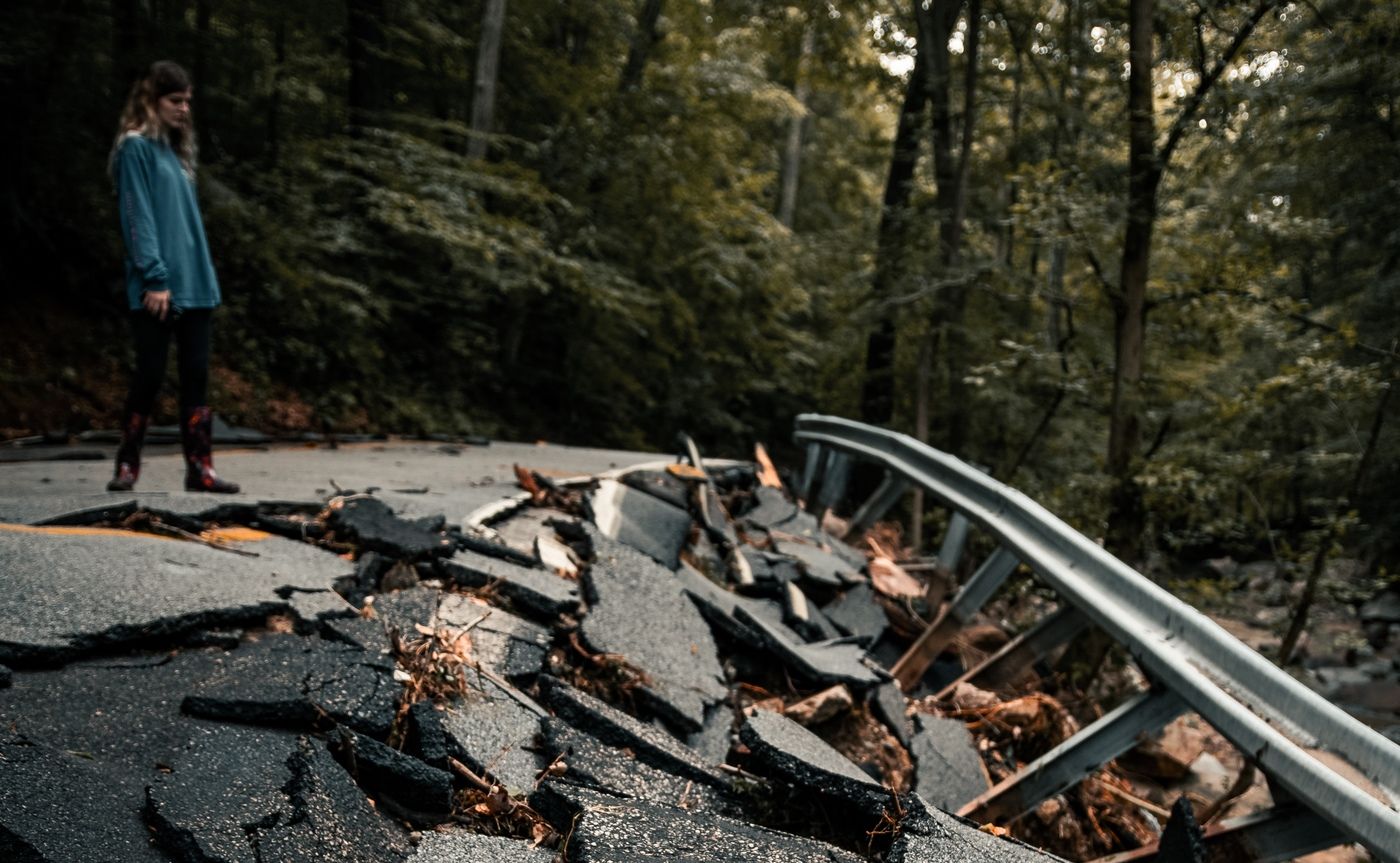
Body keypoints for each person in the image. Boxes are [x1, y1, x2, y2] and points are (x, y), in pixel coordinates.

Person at [107, 61, 238, 493]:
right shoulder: (135, 148)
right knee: (149, 373)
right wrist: (154, 277)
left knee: (196, 374)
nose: (184, 109)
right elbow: (136, 216)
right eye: (174, 100)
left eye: (187, 101)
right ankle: (127, 464)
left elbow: (185, 225)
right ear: (152, 100)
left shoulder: (176, 154)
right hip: (157, 285)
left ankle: (200, 469)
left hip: (196, 284)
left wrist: (202, 280)